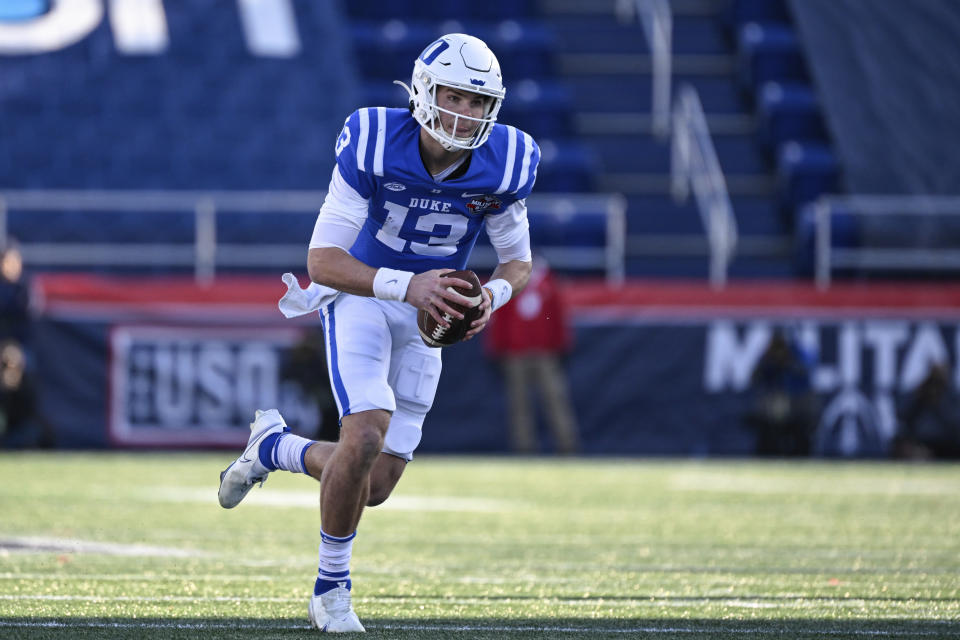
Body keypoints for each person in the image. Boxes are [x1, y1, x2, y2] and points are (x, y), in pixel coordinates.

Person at [217, 33, 537, 632]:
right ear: (422, 91)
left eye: (477, 102)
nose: (464, 113)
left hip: (429, 316)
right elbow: (322, 261)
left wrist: (490, 298)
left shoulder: (507, 162)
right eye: (453, 96)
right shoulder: (373, 140)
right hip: (364, 293)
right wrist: (406, 286)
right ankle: (330, 590)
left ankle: (272, 448)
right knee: (364, 434)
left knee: (376, 483)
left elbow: (517, 262)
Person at [486, 254, 579, 454]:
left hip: (545, 353)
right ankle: (524, 448)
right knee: (519, 403)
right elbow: (500, 318)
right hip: (515, 353)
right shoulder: (510, 284)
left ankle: (567, 445)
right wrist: (498, 347)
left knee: (554, 398)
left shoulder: (549, 285)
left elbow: (558, 318)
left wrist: (560, 346)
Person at [744, 328, 817, 456]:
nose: (779, 352)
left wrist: (788, 363)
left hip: (798, 406)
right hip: (773, 410)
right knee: (769, 428)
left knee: (800, 435)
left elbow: (806, 373)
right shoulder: (768, 358)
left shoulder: (797, 355)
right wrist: (768, 363)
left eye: (781, 348)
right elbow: (754, 378)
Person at [892, 364, 960, 460]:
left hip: (947, 442)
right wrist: (921, 392)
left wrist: (938, 402)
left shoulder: (951, 396)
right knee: (901, 444)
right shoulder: (920, 392)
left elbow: (954, 424)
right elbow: (901, 415)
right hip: (920, 441)